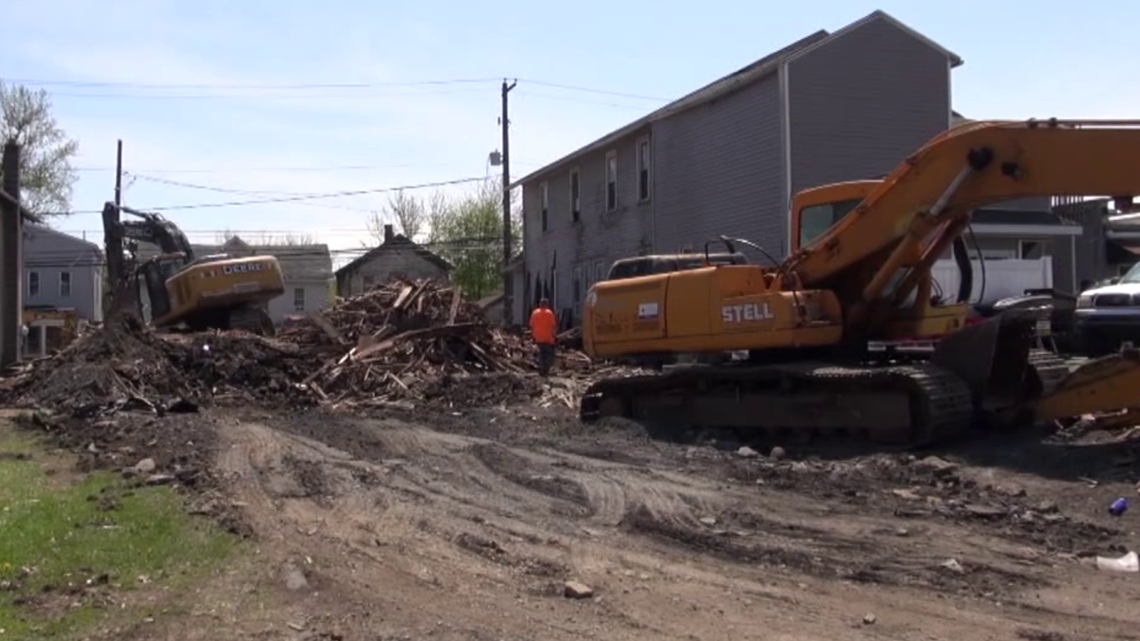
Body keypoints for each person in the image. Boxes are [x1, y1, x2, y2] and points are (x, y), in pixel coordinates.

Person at [529, 298, 557, 376]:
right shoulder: (549, 313)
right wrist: (554, 336)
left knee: (541, 354)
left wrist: (533, 336)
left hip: (538, 338)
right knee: (549, 355)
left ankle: (541, 369)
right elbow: (553, 326)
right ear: (546, 304)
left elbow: (531, 325)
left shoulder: (535, 313)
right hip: (548, 338)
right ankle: (546, 369)